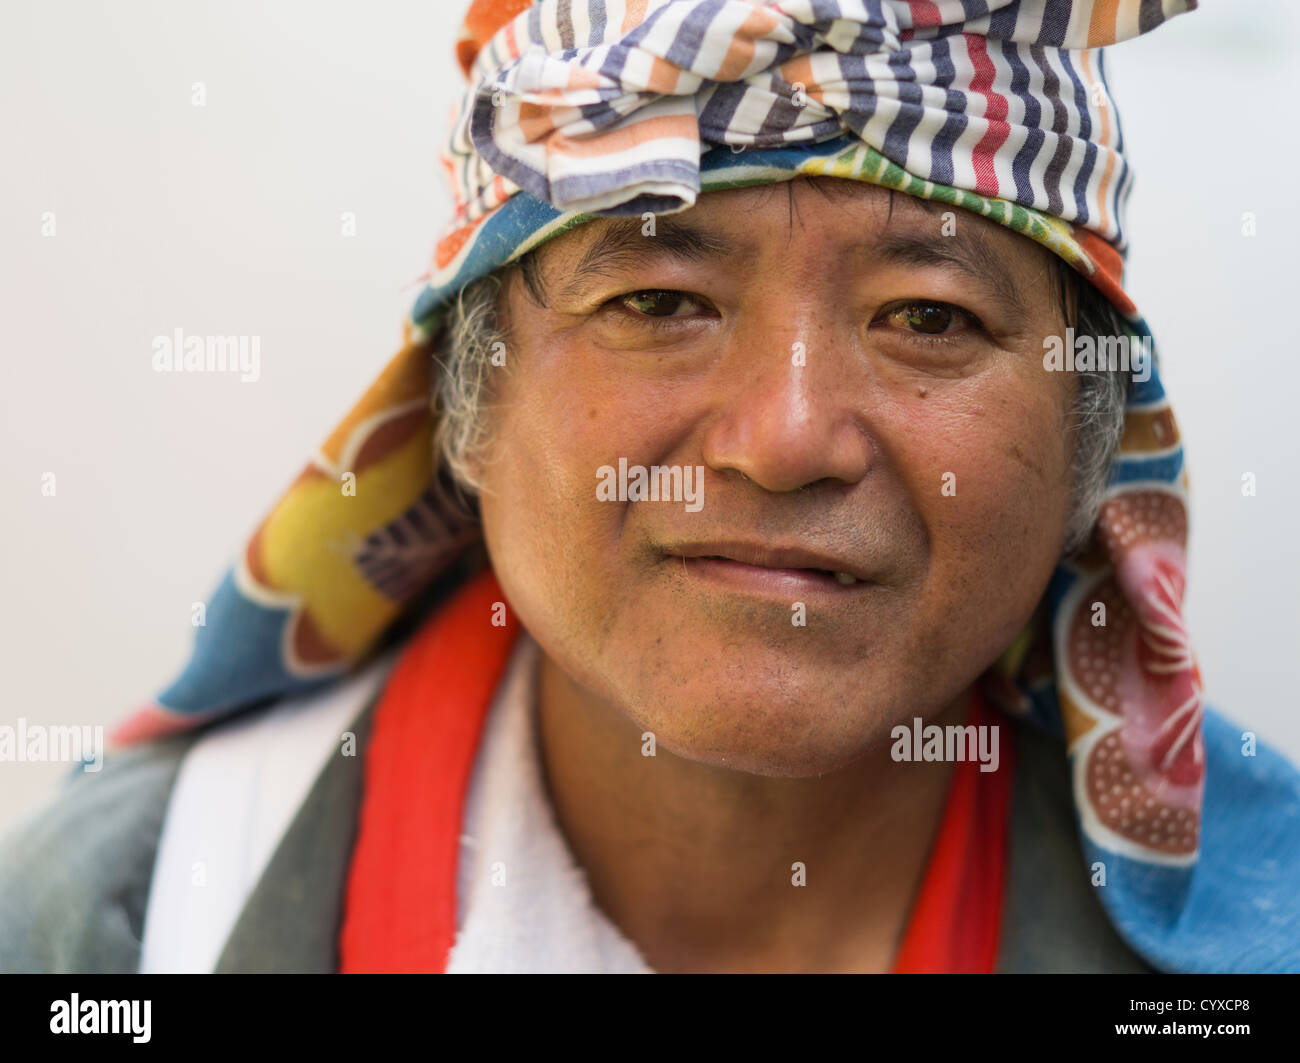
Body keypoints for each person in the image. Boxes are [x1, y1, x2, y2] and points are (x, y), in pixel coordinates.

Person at [3, 0, 1298, 974]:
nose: (786, 438)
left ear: (1090, 438)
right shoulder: (137, 919)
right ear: (465, 403)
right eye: (660, 299)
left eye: (928, 316)